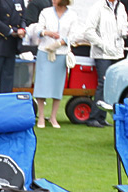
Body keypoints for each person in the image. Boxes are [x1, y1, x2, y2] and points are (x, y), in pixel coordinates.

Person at [82, 0, 128, 128]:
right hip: (102, 53)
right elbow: (88, 31)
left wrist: (124, 31)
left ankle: (101, 117)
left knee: (112, 85)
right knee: (103, 83)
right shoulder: (98, 7)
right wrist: (103, 45)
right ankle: (93, 117)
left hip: (117, 52)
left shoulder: (121, 7)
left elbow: (123, 26)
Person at [30, 0, 77, 128]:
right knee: (42, 85)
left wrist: (62, 42)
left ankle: (53, 117)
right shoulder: (46, 12)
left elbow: (74, 35)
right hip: (45, 51)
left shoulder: (72, 15)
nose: (54, 1)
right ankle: (41, 117)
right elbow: (38, 29)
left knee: (57, 86)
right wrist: (46, 33)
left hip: (61, 53)